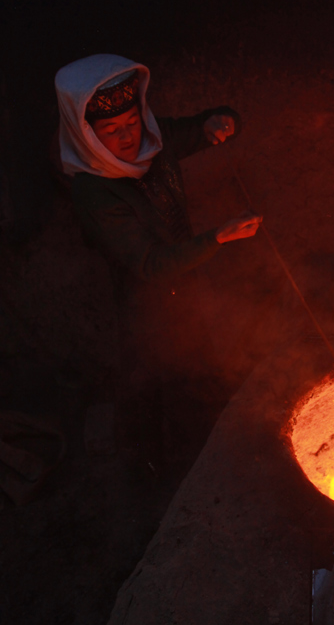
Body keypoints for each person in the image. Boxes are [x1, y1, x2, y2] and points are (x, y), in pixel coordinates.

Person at [55, 53, 262, 475]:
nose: (128, 137)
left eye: (132, 123)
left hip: (184, 284)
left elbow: (200, 127)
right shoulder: (94, 192)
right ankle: (152, 474)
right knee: (151, 377)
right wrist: (218, 237)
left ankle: (212, 454)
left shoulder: (153, 139)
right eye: (111, 131)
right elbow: (149, 265)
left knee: (197, 366)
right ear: (86, 134)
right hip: (145, 299)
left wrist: (219, 123)